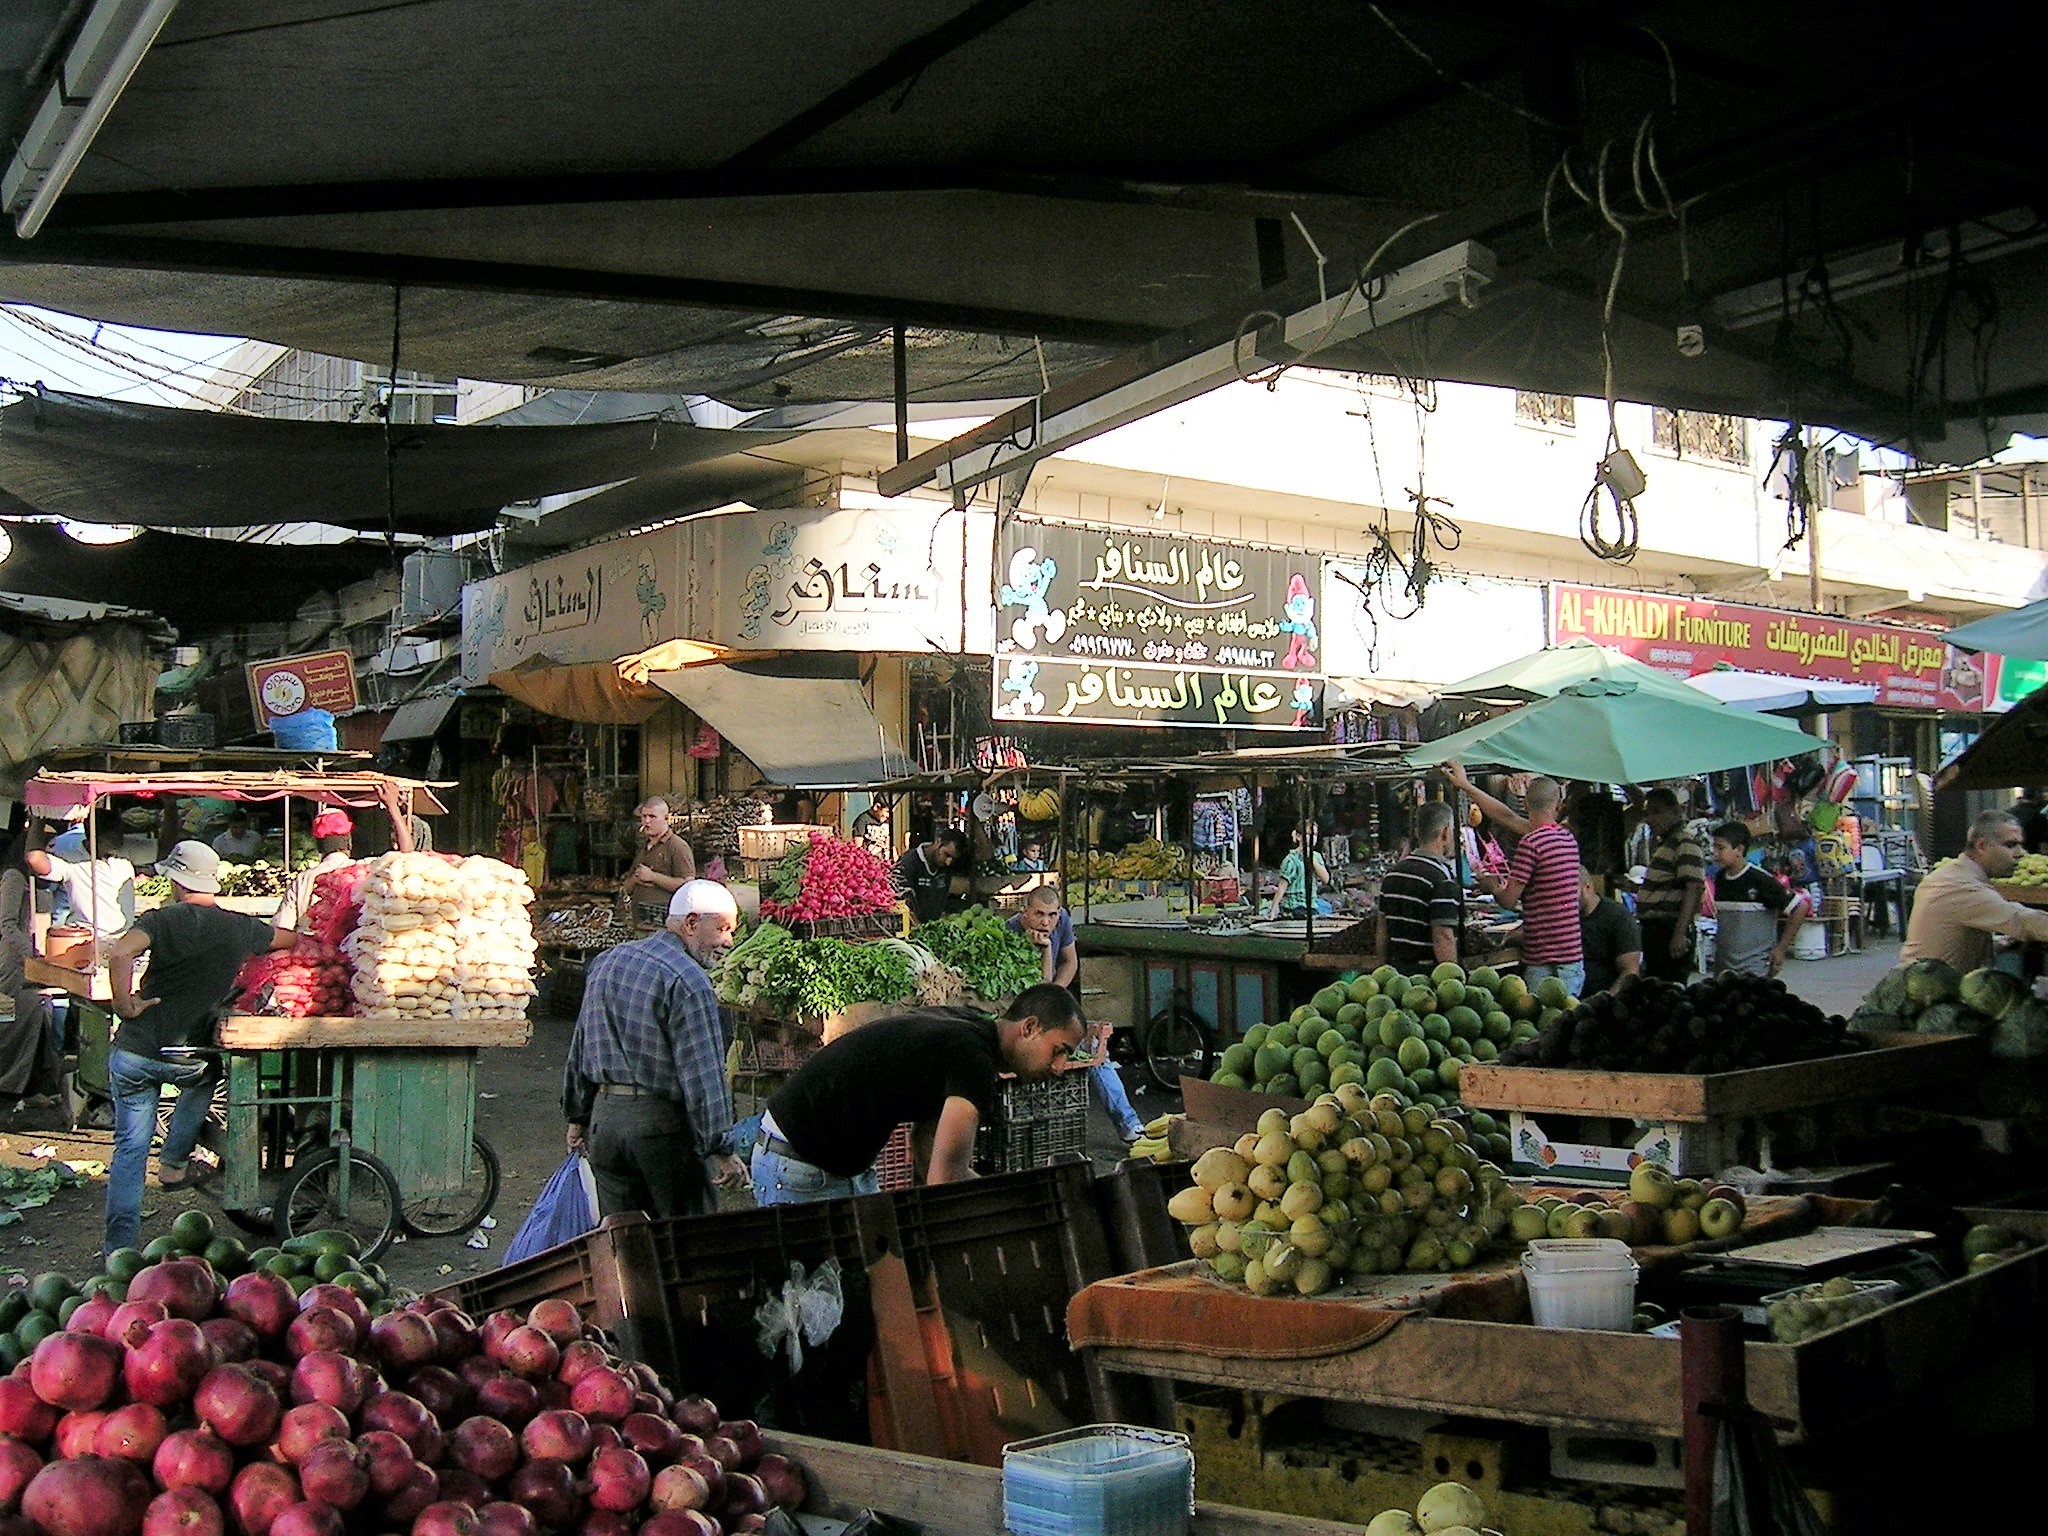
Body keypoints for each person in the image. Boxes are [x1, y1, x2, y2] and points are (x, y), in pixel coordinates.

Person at [102, 842, 294, 1257]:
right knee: (206, 1077)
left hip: (136, 1052)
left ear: (176, 881)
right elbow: (290, 939)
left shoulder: (161, 919)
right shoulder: (239, 928)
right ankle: (174, 1163)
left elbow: (120, 952)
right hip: (187, 1058)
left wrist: (124, 1005)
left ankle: (118, 1251)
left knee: (130, 1151)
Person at [750, 984, 1087, 1204]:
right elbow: (946, 1175)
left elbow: (928, 1146)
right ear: (1029, 1028)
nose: (1060, 1067)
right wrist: (1010, 1205)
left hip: (830, 1162)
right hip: (800, 1165)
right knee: (819, 1293)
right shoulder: (974, 1060)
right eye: (1059, 1050)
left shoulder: (969, 1031)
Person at [561, 880, 747, 1220]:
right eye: (722, 929)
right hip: (661, 1129)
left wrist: (578, 1115)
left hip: (606, 1125)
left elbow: (581, 1046)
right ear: (691, 923)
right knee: (685, 1236)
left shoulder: (607, 962)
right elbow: (703, 1077)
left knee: (623, 1236)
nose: (728, 941)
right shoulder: (689, 981)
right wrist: (721, 1147)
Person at [1006, 886, 1143, 1143]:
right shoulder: (1010, 932)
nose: (1046, 922)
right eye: (1039, 914)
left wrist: (1057, 994)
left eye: (1052, 915)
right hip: (1026, 1017)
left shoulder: (1064, 921)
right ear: (1025, 913)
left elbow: (1070, 961)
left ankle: (1130, 1124)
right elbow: (1040, 984)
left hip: (1052, 1008)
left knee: (1095, 1051)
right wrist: (1046, 950)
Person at [1446, 765, 1584, 996]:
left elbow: (1509, 901)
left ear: (1526, 804)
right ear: (1559, 806)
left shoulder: (1531, 844)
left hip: (1544, 962)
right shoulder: (1567, 839)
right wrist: (1466, 786)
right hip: (1572, 959)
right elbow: (1506, 817)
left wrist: (1492, 885)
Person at [1901, 810, 2048, 972]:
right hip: (1929, 984)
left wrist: (1995, 944)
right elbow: (2021, 920)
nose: (2021, 854)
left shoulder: (1955, 874)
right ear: (1982, 846)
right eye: (2011, 845)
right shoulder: (1959, 886)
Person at [0, 834, 62, 1113]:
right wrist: (33, 955)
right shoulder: (14, 877)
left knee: (37, 1018)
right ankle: (10, 1084)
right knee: (11, 1019)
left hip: (27, 959)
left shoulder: (35, 879)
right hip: (12, 963)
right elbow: (7, 924)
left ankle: (32, 1086)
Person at [1708, 823, 1810, 978]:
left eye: (1720, 848)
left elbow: (1800, 907)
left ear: (1739, 850)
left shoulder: (1760, 879)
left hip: (1755, 967)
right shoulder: (1720, 879)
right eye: (1714, 848)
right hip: (1724, 967)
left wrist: (1781, 949)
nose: (1715, 854)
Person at [27, 808, 135, 942]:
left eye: (120, 832)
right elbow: (35, 860)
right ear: (96, 835)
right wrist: (38, 818)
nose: (120, 838)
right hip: (87, 941)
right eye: (114, 834)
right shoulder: (71, 860)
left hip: (125, 940)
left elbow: (159, 850)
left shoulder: (126, 853)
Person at [1633, 787, 1707, 981]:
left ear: (1675, 812)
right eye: (1648, 813)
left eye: (1656, 812)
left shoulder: (1684, 843)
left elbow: (1694, 888)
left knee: (1669, 987)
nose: (1651, 819)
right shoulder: (1666, 844)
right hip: (1655, 930)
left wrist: (1680, 934)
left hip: (1669, 928)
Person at [1380, 801, 1462, 969]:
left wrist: (1381, 970)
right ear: (1446, 833)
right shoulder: (1442, 878)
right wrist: (1453, 976)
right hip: (1428, 975)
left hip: (1395, 974)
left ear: (1417, 832)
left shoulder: (1393, 875)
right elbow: (1443, 936)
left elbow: (1382, 931)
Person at [271, 809, 356, 940]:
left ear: (319, 845)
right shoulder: (363, 874)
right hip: (355, 948)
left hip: (309, 948)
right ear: (348, 842)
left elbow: (282, 926)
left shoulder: (303, 879)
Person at [620, 798, 696, 930]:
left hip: (663, 925)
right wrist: (635, 879)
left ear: (666, 818)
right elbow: (627, 886)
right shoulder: (643, 847)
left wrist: (653, 877)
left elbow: (688, 886)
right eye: (644, 816)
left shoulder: (677, 846)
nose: (646, 821)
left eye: (652, 817)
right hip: (640, 922)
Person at [1578, 867, 1642, 997]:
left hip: (1604, 998)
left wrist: (1606, 1001)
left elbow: (1630, 971)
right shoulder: (1561, 918)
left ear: (1587, 887)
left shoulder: (1618, 917)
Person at [892, 827, 969, 924]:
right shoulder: (908, 863)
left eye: (953, 859)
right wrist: (918, 927)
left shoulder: (945, 868)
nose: (948, 862)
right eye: (947, 855)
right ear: (938, 842)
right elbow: (905, 904)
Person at [1267, 826, 1332, 918]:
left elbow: (1326, 879)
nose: (1313, 838)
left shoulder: (1316, 856)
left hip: (1311, 905)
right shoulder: (1291, 859)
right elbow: (1282, 886)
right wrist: (1273, 910)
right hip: (1294, 906)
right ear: (1298, 836)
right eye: (1309, 834)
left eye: (1315, 835)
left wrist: (1311, 859)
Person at [850, 797, 893, 862]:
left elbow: (891, 843)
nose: (888, 815)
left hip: (885, 860)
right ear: (877, 807)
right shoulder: (863, 820)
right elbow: (857, 846)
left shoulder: (887, 821)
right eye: (887, 811)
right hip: (869, 861)